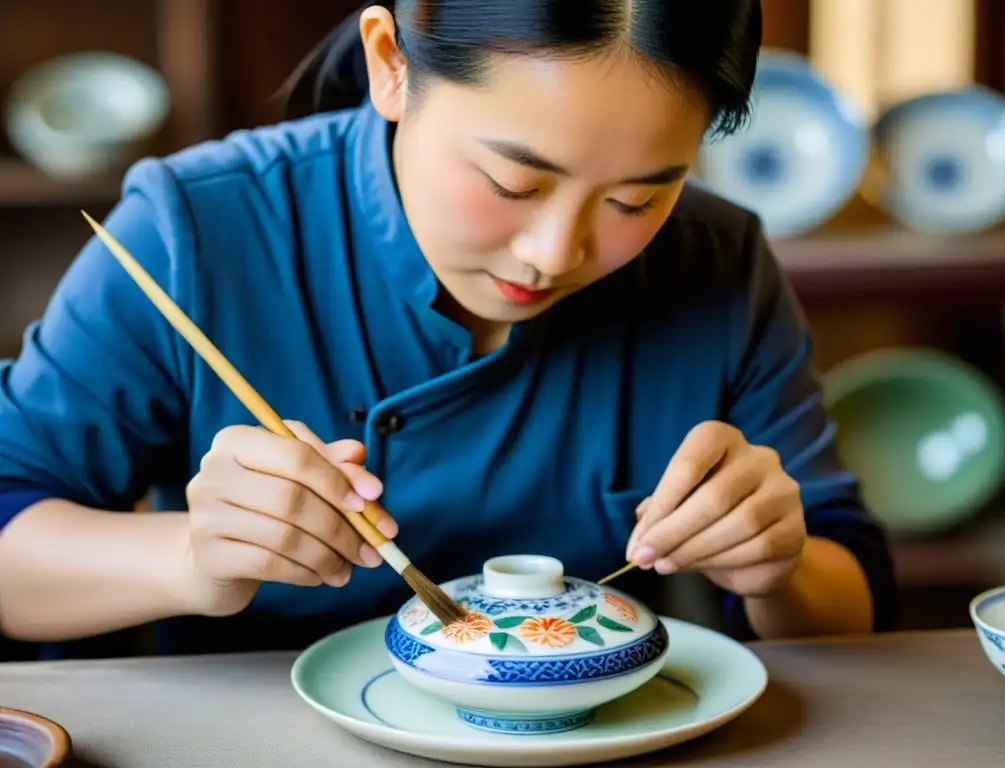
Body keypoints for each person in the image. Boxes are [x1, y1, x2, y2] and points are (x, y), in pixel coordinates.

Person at [0, 0, 896, 660]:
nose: (554, 252)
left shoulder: (719, 261)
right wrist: (192, 557)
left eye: (637, 197)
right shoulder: (197, 227)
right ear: (391, 63)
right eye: (514, 183)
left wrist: (776, 566)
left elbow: (851, 600)